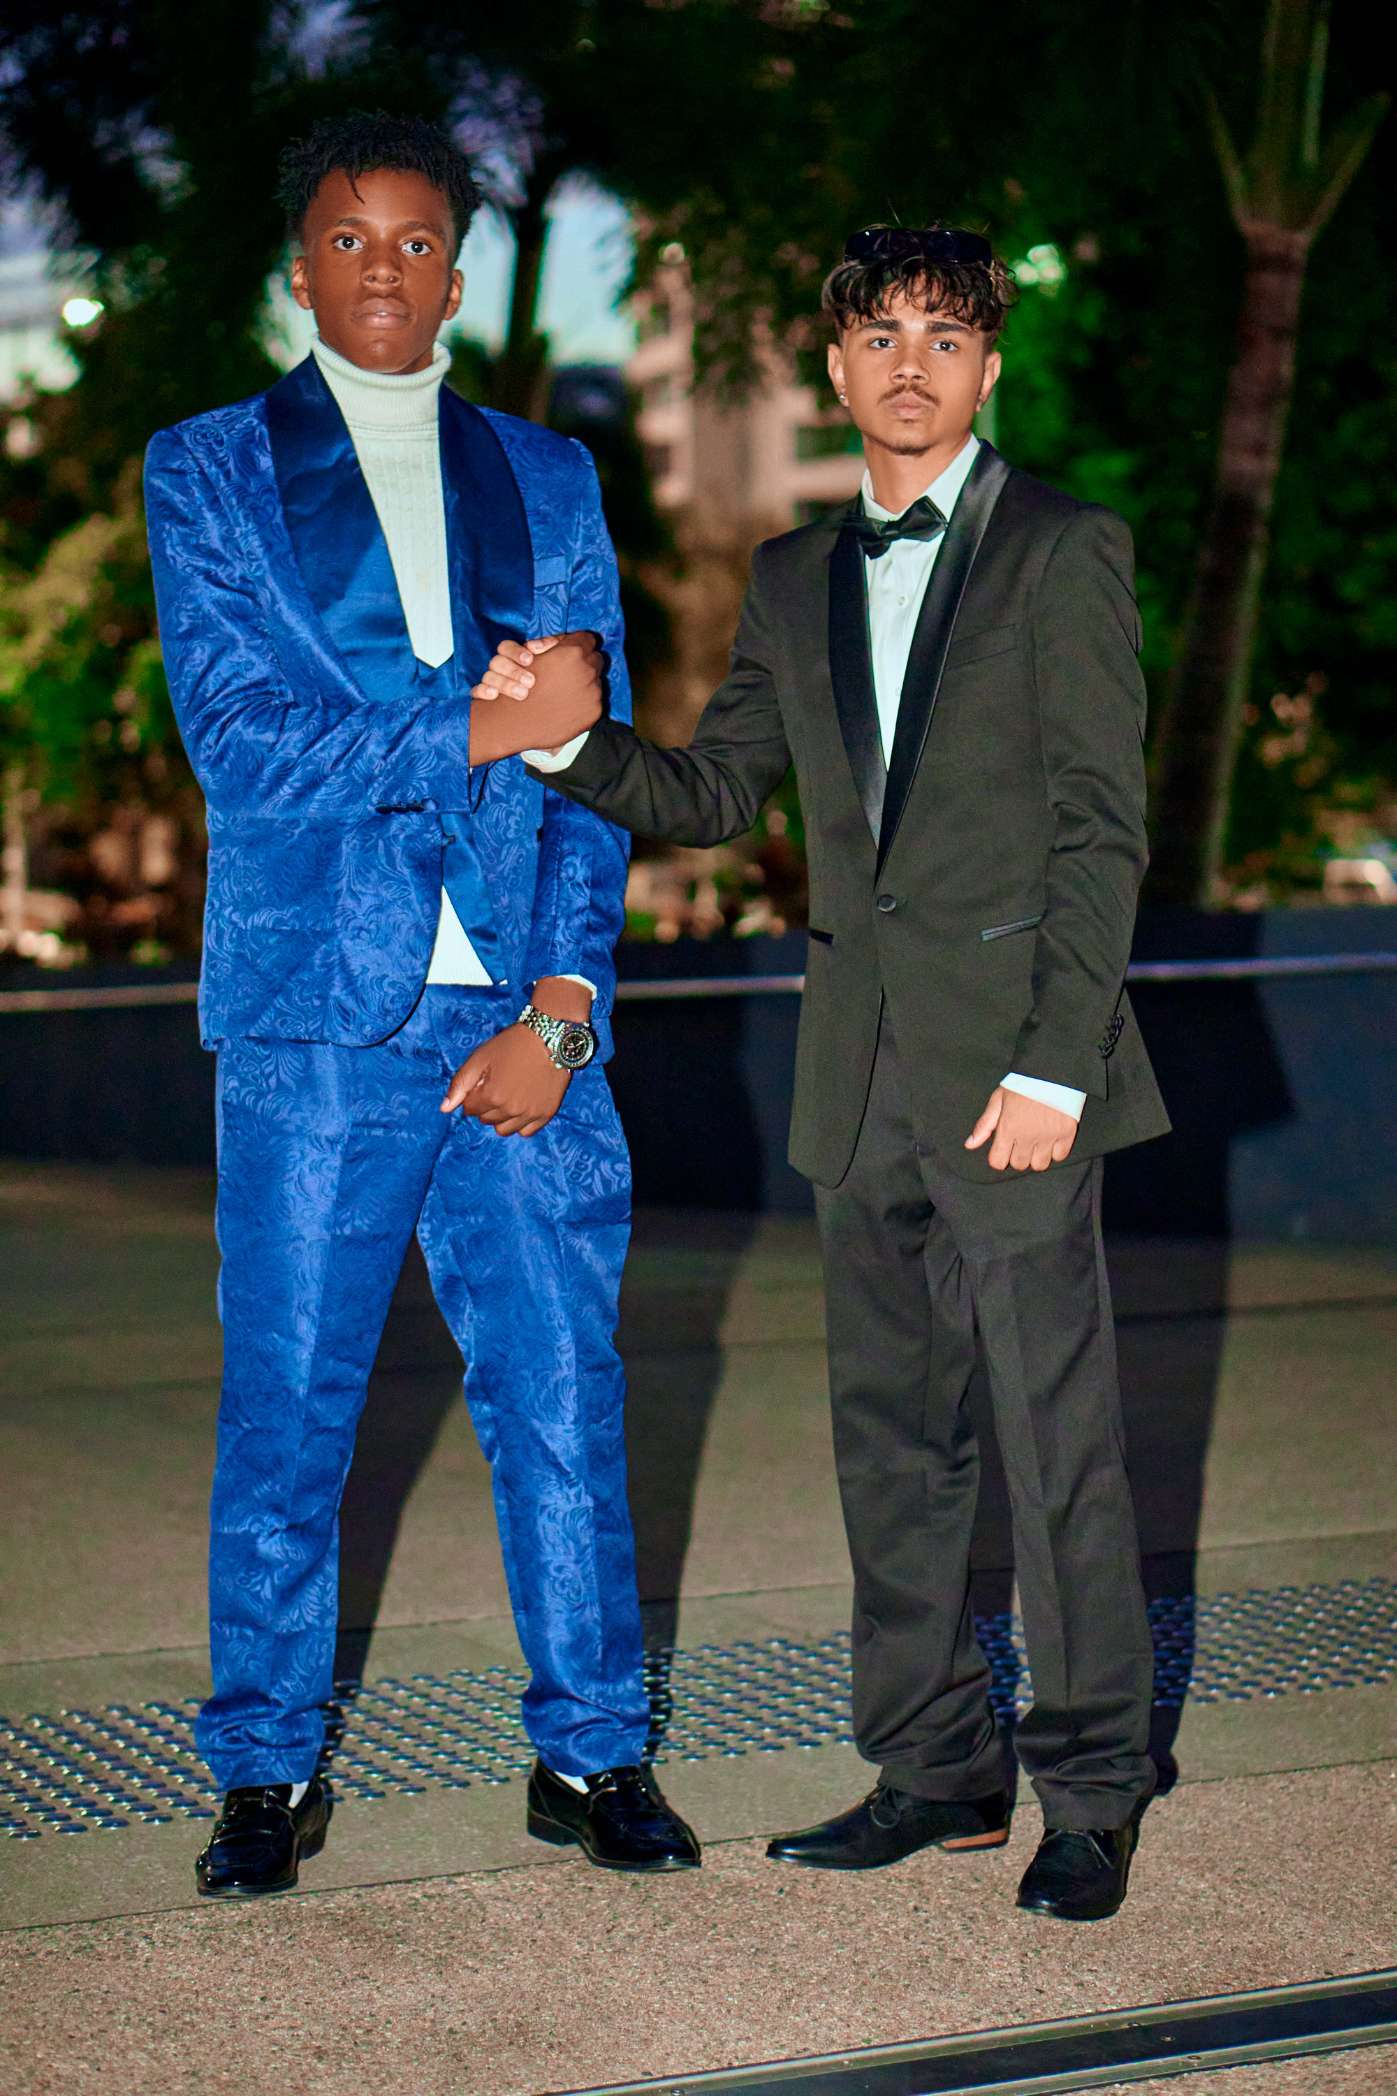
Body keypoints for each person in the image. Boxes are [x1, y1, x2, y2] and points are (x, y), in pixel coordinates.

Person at [486, 225, 1171, 1921]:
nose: (908, 365)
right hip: (857, 1079)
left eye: (942, 335)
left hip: (1016, 1077)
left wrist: (1058, 1067)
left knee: (1056, 1445)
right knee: (892, 1445)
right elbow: (720, 793)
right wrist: (564, 742)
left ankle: (1092, 1787)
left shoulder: (1065, 547)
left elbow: (1101, 828)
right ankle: (935, 1767)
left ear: (986, 365)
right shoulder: (791, 573)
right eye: (879, 336)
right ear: (836, 367)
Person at [143, 110, 699, 1898]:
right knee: (289, 1411)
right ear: (300, 270)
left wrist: (564, 1006)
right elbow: (243, 747)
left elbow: (592, 768)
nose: (380, 266)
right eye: (346, 237)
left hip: (520, 1020)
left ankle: (593, 1750)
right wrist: (482, 720)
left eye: (413, 240)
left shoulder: (547, 476)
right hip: (316, 1024)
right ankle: (264, 1769)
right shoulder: (207, 469)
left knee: (563, 1397)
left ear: (454, 276)